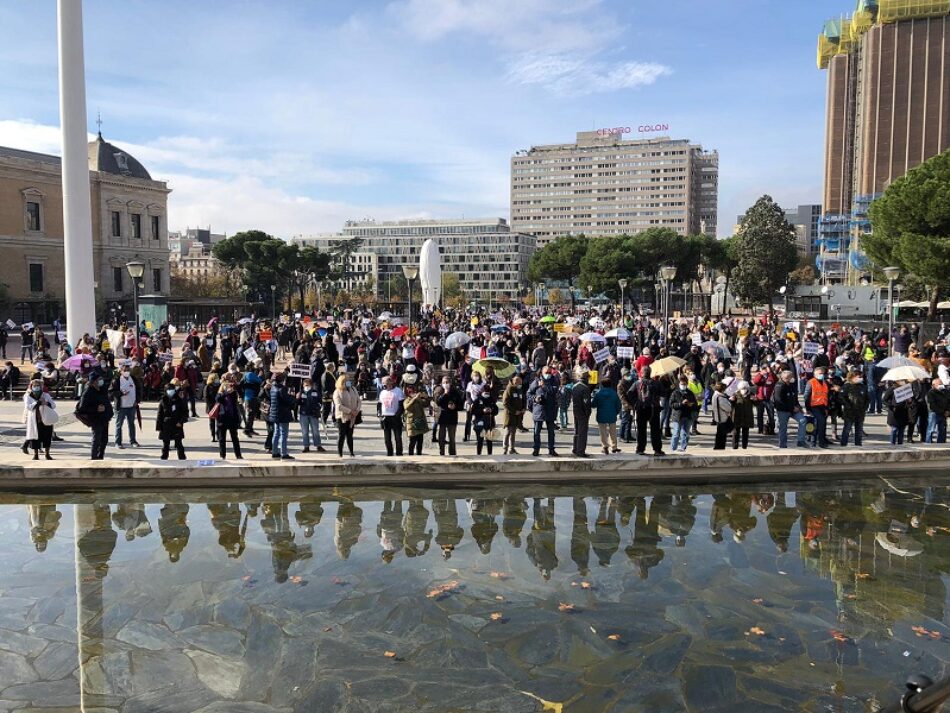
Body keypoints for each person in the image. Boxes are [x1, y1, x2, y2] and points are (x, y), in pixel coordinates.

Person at [629, 366, 665, 456]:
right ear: (650, 373)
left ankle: (640, 449)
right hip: (654, 409)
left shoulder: (637, 383)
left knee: (641, 430)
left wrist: (635, 403)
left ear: (641, 373)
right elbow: (664, 393)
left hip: (641, 408)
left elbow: (629, 394)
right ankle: (657, 450)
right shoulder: (656, 383)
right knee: (655, 430)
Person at [77, 371, 113, 460]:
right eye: (98, 380)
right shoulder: (88, 393)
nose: (101, 381)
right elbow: (82, 408)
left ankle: (101, 456)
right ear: (93, 382)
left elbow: (107, 402)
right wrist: (96, 409)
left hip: (105, 418)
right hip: (95, 418)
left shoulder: (102, 390)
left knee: (104, 440)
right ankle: (94, 457)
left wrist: (109, 413)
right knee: (97, 439)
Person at [527, 367, 560, 457]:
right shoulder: (536, 381)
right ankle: (536, 449)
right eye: (546, 372)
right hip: (539, 410)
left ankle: (551, 449)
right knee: (537, 432)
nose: (548, 374)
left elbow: (554, 391)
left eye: (549, 372)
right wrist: (535, 398)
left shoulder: (554, 380)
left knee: (551, 432)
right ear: (542, 372)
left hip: (550, 409)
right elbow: (529, 393)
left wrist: (543, 386)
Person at [773, 370, 807, 448]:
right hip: (783, 410)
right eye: (787, 377)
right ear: (783, 378)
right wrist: (792, 408)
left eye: (791, 377)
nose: (790, 378)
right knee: (783, 427)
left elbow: (795, 398)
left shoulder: (792, 385)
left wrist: (799, 407)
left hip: (794, 409)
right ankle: (782, 444)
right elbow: (779, 401)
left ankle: (801, 441)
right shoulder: (779, 386)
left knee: (803, 420)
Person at [22, 379, 55, 460]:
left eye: (38, 385)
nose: (36, 387)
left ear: (41, 386)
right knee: (35, 438)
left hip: (45, 419)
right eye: (34, 385)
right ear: (31, 386)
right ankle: (36, 454)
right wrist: (37, 403)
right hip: (34, 419)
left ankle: (47, 454)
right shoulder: (28, 396)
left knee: (47, 436)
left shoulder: (45, 395)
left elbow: (53, 405)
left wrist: (46, 403)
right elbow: (28, 407)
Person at [156, 380, 188, 460]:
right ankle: (164, 457)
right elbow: (160, 415)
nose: (170, 391)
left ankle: (182, 458)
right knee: (166, 443)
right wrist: (159, 427)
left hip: (176, 423)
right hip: (166, 424)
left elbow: (184, 413)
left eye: (172, 389)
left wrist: (181, 422)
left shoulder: (179, 400)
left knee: (178, 443)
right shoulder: (163, 401)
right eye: (168, 390)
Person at [332, 373, 361, 457]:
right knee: (341, 435)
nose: (349, 382)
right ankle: (340, 453)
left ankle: (351, 452)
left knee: (350, 435)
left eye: (349, 380)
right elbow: (338, 405)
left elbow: (359, 401)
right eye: (346, 380)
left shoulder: (353, 389)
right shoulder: (337, 392)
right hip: (342, 416)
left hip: (352, 416)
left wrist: (357, 410)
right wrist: (350, 411)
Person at [215, 377, 243, 459]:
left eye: (228, 385)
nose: (228, 387)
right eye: (226, 385)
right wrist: (226, 393)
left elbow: (240, 393)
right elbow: (218, 399)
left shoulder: (233, 394)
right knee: (222, 439)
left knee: (235, 438)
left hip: (232, 418)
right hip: (222, 419)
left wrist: (235, 385)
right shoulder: (220, 394)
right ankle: (222, 455)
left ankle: (238, 455)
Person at [112, 363, 139, 449]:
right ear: (121, 371)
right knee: (119, 425)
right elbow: (111, 392)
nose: (127, 372)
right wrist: (121, 393)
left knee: (131, 424)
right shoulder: (117, 380)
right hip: (121, 407)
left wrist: (137, 401)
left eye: (128, 370)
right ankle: (118, 442)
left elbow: (139, 390)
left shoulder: (133, 379)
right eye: (125, 370)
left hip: (131, 406)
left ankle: (133, 441)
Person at [592, 378, 622, 455]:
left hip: (601, 415)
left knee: (603, 432)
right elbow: (618, 405)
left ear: (602, 385)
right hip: (612, 414)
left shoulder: (598, 394)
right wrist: (616, 412)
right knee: (613, 431)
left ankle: (605, 446)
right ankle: (614, 447)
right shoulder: (614, 393)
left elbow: (593, 404)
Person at [269, 373, 295, 460]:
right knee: (284, 434)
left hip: (275, 413)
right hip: (283, 413)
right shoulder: (282, 388)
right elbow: (287, 400)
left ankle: (275, 452)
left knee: (276, 433)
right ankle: (284, 453)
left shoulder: (273, 388)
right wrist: (293, 397)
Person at [436, 375, 465, 456]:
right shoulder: (439, 390)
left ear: (451, 383)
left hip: (452, 417)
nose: (446, 384)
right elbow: (438, 402)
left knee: (452, 438)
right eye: (444, 382)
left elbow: (461, 406)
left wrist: (455, 407)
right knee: (441, 437)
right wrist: (445, 393)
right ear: (441, 383)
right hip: (442, 417)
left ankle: (452, 453)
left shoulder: (455, 392)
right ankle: (441, 452)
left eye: (447, 382)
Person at [803, 367, 831, 448]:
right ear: (815, 374)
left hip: (823, 406)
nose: (821, 375)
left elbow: (826, 396)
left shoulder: (825, 383)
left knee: (822, 423)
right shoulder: (811, 382)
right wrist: (808, 409)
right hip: (813, 406)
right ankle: (819, 442)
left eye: (822, 373)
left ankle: (818, 441)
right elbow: (806, 396)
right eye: (820, 373)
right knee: (820, 422)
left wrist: (826, 408)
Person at [840, 369, 869, 447]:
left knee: (859, 429)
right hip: (849, 412)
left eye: (861, 377)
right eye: (859, 377)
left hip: (860, 411)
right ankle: (843, 444)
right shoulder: (846, 386)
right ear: (852, 377)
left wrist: (865, 407)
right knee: (847, 428)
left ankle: (858, 444)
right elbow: (841, 397)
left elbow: (867, 398)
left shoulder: (863, 387)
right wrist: (848, 405)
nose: (860, 378)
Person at [669, 375, 698, 453]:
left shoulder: (690, 393)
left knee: (685, 434)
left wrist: (690, 404)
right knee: (676, 433)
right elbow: (671, 404)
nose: (683, 385)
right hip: (677, 416)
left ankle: (683, 448)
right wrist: (680, 404)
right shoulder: (675, 392)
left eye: (684, 384)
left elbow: (695, 404)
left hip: (687, 415)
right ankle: (673, 448)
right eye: (682, 384)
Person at [377, 376, 405, 457]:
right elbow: (379, 404)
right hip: (385, 416)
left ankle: (399, 453)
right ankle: (389, 453)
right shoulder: (382, 392)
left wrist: (398, 414)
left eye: (385, 384)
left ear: (391, 382)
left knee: (398, 438)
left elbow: (401, 404)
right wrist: (379, 414)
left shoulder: (398, 391)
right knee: (387, 439)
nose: (384, 386)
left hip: (395, 416)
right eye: (383, 385)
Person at [297, 377, 325, 453]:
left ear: (311, 385)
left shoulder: (315, 392)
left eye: (308, 385)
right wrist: (297, 398)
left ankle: (318, 445)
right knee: (305, 432)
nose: (307, 386)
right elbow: (297, 404)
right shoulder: (301, 393)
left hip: (313, 414)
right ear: (303, 385)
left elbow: (320, 402)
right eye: (305, 385)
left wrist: (318, 408)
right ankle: (306, 446)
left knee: (315, 431)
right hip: (304, 414)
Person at [501, 375, 526, 455]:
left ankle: (512, 449)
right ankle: (505, 448)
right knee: (508, 431)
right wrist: (514, 411)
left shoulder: (519, 390)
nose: (520, 385)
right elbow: (505, 403)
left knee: (513, 432)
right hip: (510, 415)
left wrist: (523, 408)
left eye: (521, 383)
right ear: (515, 382)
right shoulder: (509, 389)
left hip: (517, 415)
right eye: (519, 383)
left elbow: (522, 399)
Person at [403, 384, 430, 455]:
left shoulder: (418, 400)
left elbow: (426, 404)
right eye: (411, 392)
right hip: (412, 424)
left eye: (414, 391)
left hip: (420, 423)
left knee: (420, 441)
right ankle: (410, 455)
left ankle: (419, 454)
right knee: (412, 442)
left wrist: (426, 397)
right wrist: (414, 399)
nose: (413, 393)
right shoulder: (407, 400)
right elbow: (407, 407)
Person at [471, 385, 498, 455]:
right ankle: (478, 454)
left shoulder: (491, 399)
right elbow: (473, 411)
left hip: (489, 422)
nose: (487, 394)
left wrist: (491, 410)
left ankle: (490, 454)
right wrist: (482, 411)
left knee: (489, 440)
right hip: (480, 422)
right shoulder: (478, 400)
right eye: (485, 393)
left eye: (488, 393)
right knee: (480, 440)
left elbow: (496, 411)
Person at [884, 381, 911, 445]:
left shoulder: (905, 389)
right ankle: (892, 445)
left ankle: (900, 445)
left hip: (903, 412)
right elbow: (884, 400)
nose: (902, 382)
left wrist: (909, 401)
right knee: (894, 429)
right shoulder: (892, 389)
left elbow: (909, 401)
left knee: (901, 430)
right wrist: (891, 406)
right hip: (894, 413)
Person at [732, 381, 754, 450]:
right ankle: (735, 445)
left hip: (747, 416)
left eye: (745, 388)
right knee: (736, 432)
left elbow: (757, 403)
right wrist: (732, 400)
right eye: (742, 388)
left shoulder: (751, 394)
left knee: (745, 432)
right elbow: (731, 405)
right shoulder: (736, 394)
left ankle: (744, 446)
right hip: (737, 415)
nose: (744, 389)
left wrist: (755, 400)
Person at [925, 377, 949, 443]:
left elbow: (948, 402)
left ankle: (940, 443)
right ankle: (928, 443)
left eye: (942, 383)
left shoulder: (945, 391)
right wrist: (943, 411)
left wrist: (948, 411)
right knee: (931, 429)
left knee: (942, 429)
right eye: (939, 384)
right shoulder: (930, 393)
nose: (941, 385)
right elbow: (932, 406)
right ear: (933, 385)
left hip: (943, 413)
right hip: (934, 413)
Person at [711, 381, 733, 450]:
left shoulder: (715, 395)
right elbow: (728, 408)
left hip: (718, 417)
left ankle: (718, 447)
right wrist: (730, 402)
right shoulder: (720, 397)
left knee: (719, 433)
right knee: (722, 435)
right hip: (722, 417)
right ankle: (719, 447)